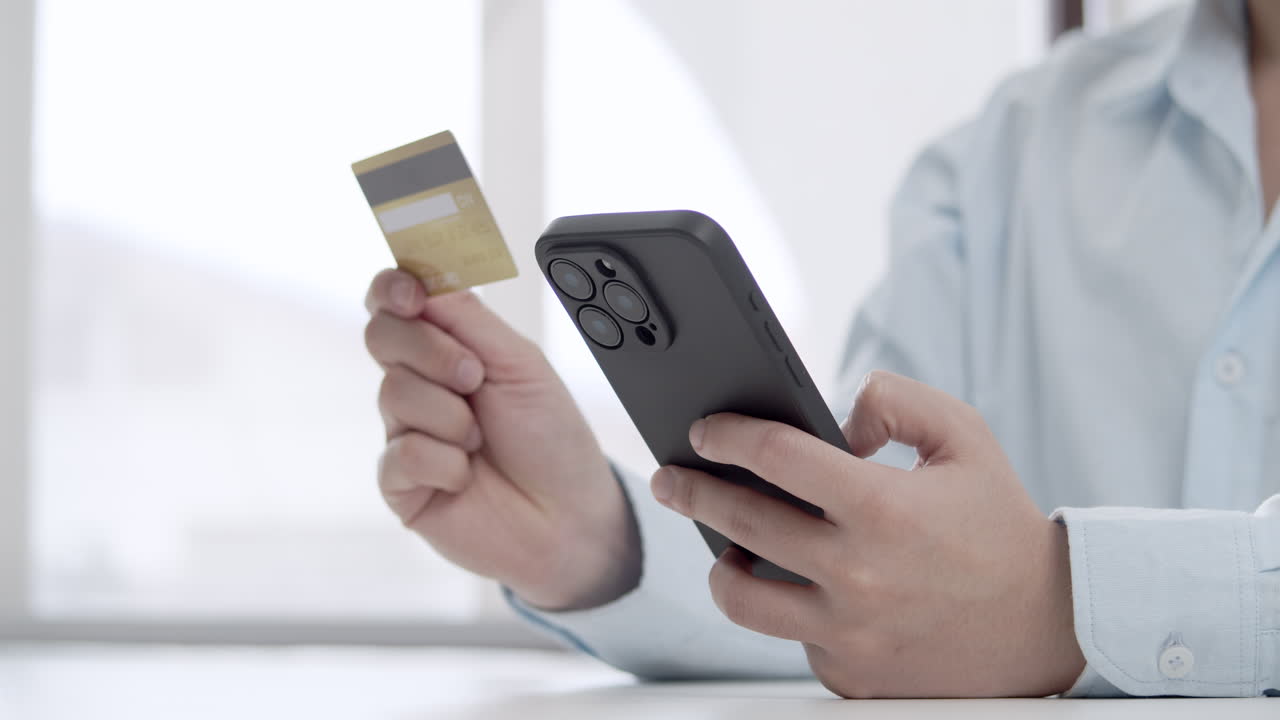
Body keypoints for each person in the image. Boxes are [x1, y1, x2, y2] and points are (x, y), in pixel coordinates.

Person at [363, 0, 1279, 698]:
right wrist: (594, 541)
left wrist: (1060, 603)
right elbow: (868, 578)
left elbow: (999, 606)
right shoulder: (1015, 143)